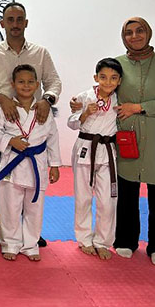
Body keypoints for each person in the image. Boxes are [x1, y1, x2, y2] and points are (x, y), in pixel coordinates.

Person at [71, 17, 155, 266]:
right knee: (125, 191)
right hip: (124, 137)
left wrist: (138, 107)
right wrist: (78, 102)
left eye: (139, 31)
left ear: (148, 33)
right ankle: (125, 240)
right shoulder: (118, 63)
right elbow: (103, 88)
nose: (134, 36)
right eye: (129, 32)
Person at [0, 2, 62, 246]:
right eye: (10, 19)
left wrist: (47, 99)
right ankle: (5, 228)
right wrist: (1, 98)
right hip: (5, 126)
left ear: (26, 23)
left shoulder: (40, 53)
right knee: (3, 177)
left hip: (35, 123)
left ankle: (30, 231)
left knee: (33, 178)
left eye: (19, 19)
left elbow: (54, 82)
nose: (15, 24)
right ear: (2, 23)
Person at [0, 65, 61, 261]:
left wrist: (55, 165)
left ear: (37, 85)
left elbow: (53, 138)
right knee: (9, 208)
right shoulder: (5, 109)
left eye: (30, 82)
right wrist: (10, 141)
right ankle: (10, 244)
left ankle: (30, 245)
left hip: (37, 163)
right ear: (13, 84)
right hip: (12, 163)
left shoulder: (43, 110)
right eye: (21, 82)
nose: (26, 85)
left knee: (34, 208)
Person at [67, 58, 122, 260]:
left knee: (108, 201)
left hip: (107, 151)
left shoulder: (119, 99)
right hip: (85, 148)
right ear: (95, 77)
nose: (108, 82)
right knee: (83, 198)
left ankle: (102, 241)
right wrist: (84, 114)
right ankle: (84, 239)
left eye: (113, 78)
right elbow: (71, 123)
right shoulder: (85, 96)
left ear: (119, 81)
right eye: (103, 77)